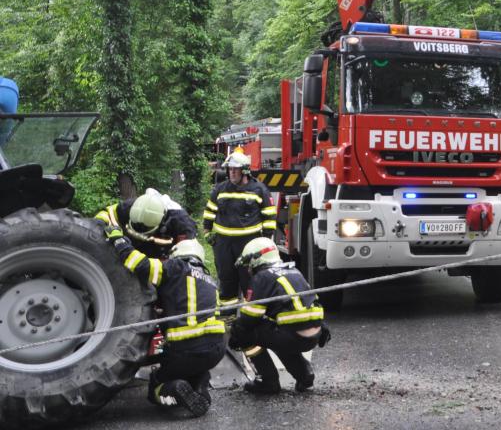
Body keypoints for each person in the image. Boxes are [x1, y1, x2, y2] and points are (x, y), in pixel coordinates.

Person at [106, 231, 225, 417]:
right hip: (216, 350)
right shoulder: (211, 280)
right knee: (198, 369)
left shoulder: (176, 267)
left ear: (177, 253)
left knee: (156, 385)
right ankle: (200, 390)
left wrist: (119, 241)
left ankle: (172, 390)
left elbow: (141, 265)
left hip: (186, 348)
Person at [229, 237, 330, 394]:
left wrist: (234, 334)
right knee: (279, 336)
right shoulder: (294, 271)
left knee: (243, 333)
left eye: (248, 264)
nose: (248, 269)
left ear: (257, 259)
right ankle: (305, 375)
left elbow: (249, 319)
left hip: (293, 336)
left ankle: (267, 381)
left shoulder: (262, 277)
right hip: (316, 334)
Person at [203, 149, 275, 312]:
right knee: (226, 278)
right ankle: (228, 314)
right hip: (223, 244)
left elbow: (269, 216)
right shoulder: (221, 189)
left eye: (235, 169)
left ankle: (251, 316)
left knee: (249, 280)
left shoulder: (259, 190)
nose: (232, 172)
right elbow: (209, 211)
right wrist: (207, 232)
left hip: (249, 244)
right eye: (230, 169)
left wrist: (266, 240)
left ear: (245, 171)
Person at [95, 189, 197, 259]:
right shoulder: (131, 206)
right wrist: (98, 225)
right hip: (131, 248)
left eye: (145, 229)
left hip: (162, 255)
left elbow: (185, 258)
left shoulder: (182, 224)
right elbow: (108, 212)